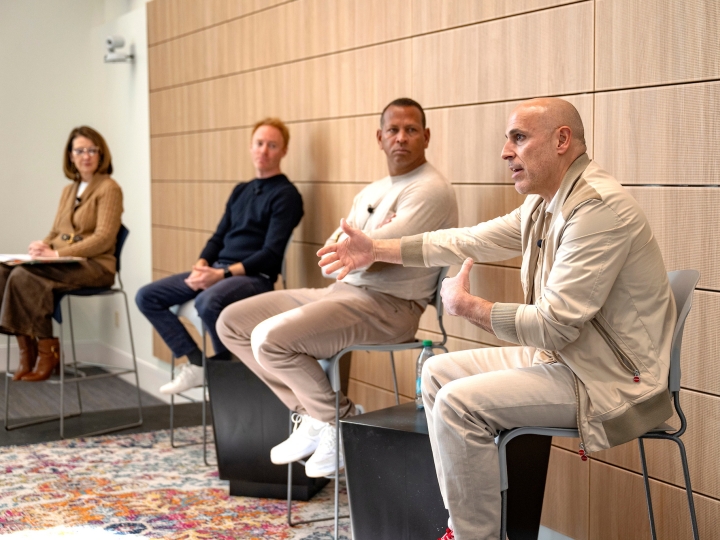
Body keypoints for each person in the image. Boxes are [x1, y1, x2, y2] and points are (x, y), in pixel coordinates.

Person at [317, 97, 675, 540]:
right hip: (567, 359)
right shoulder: (545, 204)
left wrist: (471, 308)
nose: (506, 151)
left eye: (519, 138)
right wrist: (375, 248)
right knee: (437, 375)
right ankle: (466, 528)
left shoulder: (596, 210)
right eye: (508, 139)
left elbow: (554, 325)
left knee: (457, 403)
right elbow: (468, 240)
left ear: (562, 140)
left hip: (610, 380)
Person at [216, 97, 459, 478]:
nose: (401, 138)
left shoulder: (430, 189)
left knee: (270, 339)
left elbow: (366, 254)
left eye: (411, 130)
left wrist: (369, 244)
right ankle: (312, 414)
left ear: (426, 136)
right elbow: (333, 259)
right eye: (393, 130)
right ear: (379, 137)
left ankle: (338, 422)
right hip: (343, 293)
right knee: (232, 322)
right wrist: (374, 240)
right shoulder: (373, 190)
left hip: (389, 307)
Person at [136, 118, 303, 395]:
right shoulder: (241, 190)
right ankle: (200, 365)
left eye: (272, 146)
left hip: (253, 278)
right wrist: (202, 265)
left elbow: (271, 255)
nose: (264, 151)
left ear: (283, 151)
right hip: (217, 271)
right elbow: (218, 237)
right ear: (250, 147)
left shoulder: (287, 195)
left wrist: (221, 274)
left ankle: (227, 368)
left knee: (208, 301)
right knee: (147, 296)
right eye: (259, 144)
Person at [0, 126, 123, 382]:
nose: (86, 156)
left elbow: (103, 239)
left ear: (101, 154)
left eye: (92, 150)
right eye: (80, 150)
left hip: (95, 267)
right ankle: (28, 350)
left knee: (24, 277)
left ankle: (49, 351)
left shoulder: (109, 188)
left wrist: (56, 254)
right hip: (64, 262)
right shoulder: (69, 190)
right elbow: (57, 230)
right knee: (3, 271)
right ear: (70, 155)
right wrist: (40, 248)